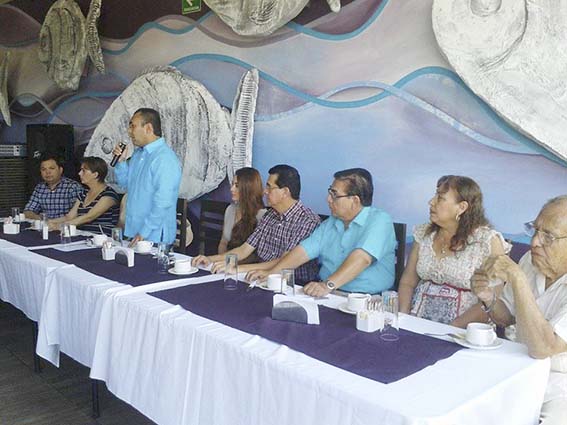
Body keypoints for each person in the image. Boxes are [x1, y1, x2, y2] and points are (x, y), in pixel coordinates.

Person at [472, 196, 567, 425]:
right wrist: (487, 297)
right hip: (515, 363)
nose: (534, 242)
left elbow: (544, 348)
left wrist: (517, 278)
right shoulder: (531, 261)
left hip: (558, 381)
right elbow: (507, 316)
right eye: (535, 230)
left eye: (548, 236)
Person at [246, 168, 396, 296]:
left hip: (367, 299)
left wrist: (327, 285)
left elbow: (362, 259)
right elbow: (302, 252)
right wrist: (273, 272)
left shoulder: (380, 221)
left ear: (355, 201)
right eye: (329, 192)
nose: (328, 199)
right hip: (329, 295)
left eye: (334, 195)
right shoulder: (331, 222)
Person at [398, 175, 510, 328]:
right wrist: (404, 318)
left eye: (440, 198)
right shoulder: (424, 233)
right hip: (417, 323)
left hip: (463, 330)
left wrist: (451, 328)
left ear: (462, 207)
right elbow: (408, 281)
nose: (431, 202)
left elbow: (493, 301)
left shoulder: (487, 241)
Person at [192, 164, 320, 284]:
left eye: (269, 187)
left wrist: (238, 268)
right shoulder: (270, 215)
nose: (265, 191)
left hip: (293, 284)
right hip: (260, 278)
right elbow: (244, 249)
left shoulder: (307, 221)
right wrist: (210, 259)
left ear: (285, 192)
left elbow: (285, 262)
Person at [112, 108, 181, 245]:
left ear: (148, 128)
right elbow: (125, 185)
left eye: (133, 126)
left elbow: (163, 201)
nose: (129, 131)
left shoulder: (164, 158)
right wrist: (121, 162)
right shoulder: (138, 154)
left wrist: (144, 232)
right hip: (134, 232)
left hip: (153, 236)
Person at [47, 157, 120, 232]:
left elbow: (88, 217)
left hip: (102, 236)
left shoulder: (108, 195)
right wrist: (49, 222)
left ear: (95, 175)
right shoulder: (83, 193)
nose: (79, 173)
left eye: (83, 171)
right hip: (82, 234)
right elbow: (69, 217)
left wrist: (60, 226)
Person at [218, 167, 266, 258]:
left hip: (248, 265)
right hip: (226, 262)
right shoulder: (230, 209)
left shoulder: (262, 216)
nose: (231, 189)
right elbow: (223, 242)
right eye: (232, 184)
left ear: (248, 188)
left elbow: (256, 254)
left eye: (237, 186)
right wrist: (222, 262)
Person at [24, 153, 84, 219]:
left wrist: (54, 222)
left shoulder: (72, 187)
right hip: (45, 224)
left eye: (52, 168)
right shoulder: (40, 188)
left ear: (60, 170)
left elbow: (80, 214)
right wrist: (39, 218)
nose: (47, 172)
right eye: (43, 169)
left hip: (65, 224)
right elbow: (28, 211)